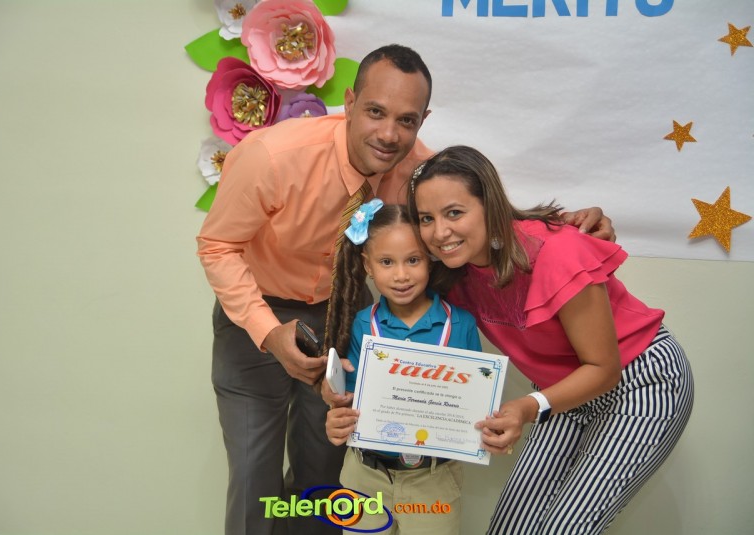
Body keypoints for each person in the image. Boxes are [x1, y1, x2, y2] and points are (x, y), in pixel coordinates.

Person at [197, 43, 612, 535]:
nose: (390, 134)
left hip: (343, 317)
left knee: (324, 472)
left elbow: (475, 213)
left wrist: (562, 226)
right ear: (349, 102)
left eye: (407, 120)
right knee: (254, 478)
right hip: (256, 315)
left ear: (423, 120)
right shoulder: (271, 156)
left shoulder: (418, 170)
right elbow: (217, 246)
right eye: (376, 112)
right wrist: (268, 331)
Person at [407, 145, 694, 535]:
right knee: (510, 526)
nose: (440, 232)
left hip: (640, 380)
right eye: (426, 218)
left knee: (565, 527)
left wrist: (526, 408)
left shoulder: (556, 251)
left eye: (454, 213)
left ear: (490, 206)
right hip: (563, 391)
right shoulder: (452, 273)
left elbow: (603, 369)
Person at [324, 201, 481, 534]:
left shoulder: (461, 325)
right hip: (364, 477)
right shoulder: (360, 325)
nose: (401, 275)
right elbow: (348, 401)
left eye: (413, 260)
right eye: (386, 262)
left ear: (431, 258)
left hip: (433, 480)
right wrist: (337, 418)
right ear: (367, 265)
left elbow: (476, 405)